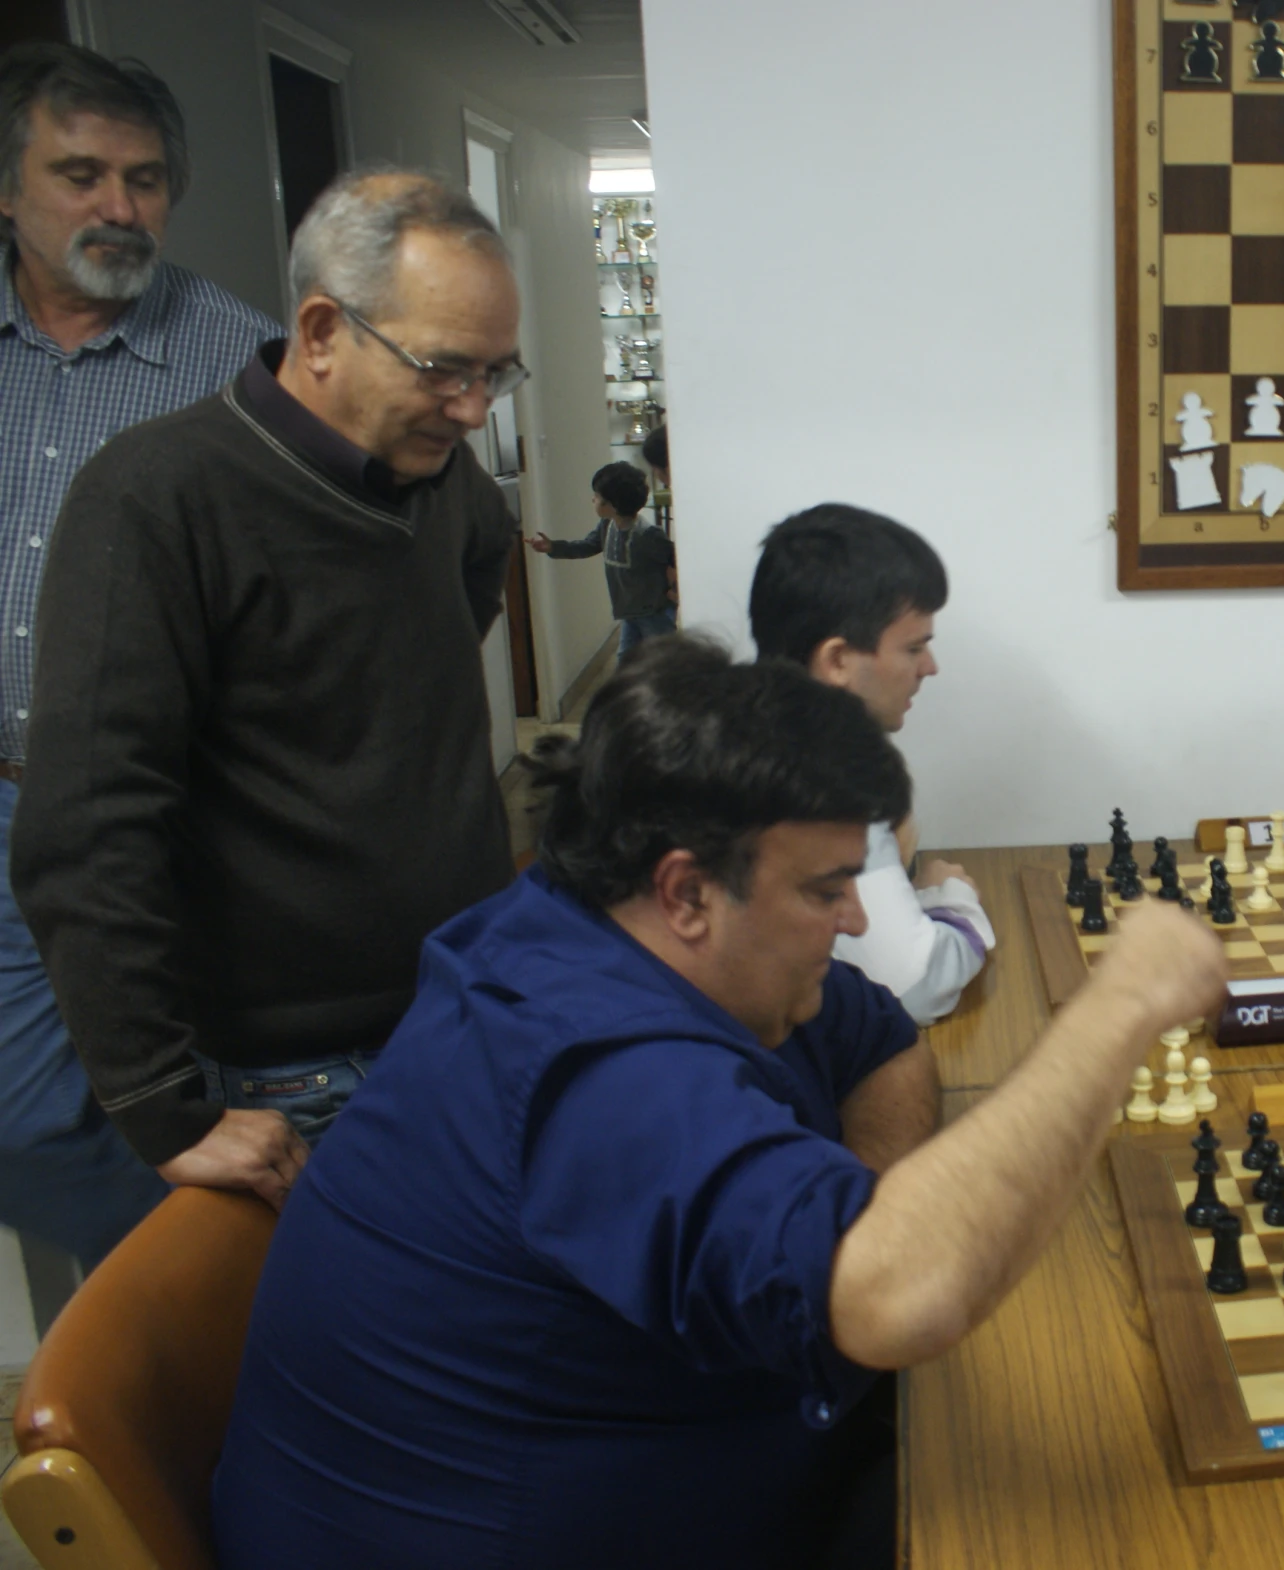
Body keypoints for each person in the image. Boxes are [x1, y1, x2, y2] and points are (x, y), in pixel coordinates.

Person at [208, 638, 1227, 1570]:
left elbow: (880, 1041)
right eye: (827, 888)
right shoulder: (597, 1066)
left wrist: (858, 1204)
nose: (859, 913)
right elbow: (906, 1294)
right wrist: (1120, 1005)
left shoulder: (586, 920)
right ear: (687, 890)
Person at [12, 168, 523, 1208]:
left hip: (458, 1011)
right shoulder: (153, 499)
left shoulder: (442, 476)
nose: (472, 409)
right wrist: (159, 1103)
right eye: (442, 369)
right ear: (324, 329)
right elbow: (88, 830)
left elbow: (472, 575)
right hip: (297, 1076)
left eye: (495, 374)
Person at [0, 43, 278, 1267]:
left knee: (188, 1105)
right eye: (80, 174)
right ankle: (149, 1354)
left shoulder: (247, 371)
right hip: (2, 816)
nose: (119, 206)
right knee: (28, 1121)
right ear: (8, 189)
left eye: (145, 178)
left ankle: (184, 1361)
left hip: (168, 826)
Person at [749, 504, 993, 1024]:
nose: (930, 667)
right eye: (914, 648)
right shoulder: (818, 778)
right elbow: (913, 988)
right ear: (837, 660)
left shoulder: (757, 729)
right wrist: (954, 900)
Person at [526, 460, 676, 656]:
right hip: (628, 612)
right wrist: (553, 547)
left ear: (613, 505)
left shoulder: (648, 535)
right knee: (626, 659)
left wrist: (674, 591)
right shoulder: (607, 527)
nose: (593, 500)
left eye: (597, 496)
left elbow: (675, 559)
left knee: (663, 660)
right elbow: (587, 546)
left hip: (655, 613)